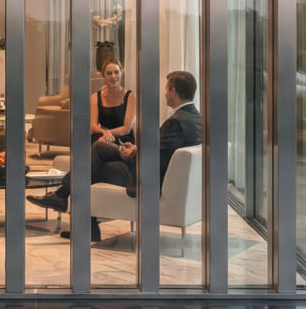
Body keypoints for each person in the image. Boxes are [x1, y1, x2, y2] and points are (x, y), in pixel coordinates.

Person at [28, 70, 202, 243]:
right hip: (152, 171)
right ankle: (67, 203)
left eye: (166, 89)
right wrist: (135, 149)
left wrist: (132, 155)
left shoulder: (175, 122)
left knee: (97, 167)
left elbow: (158, 160)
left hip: (147, 179)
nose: (164, 94)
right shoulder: (195, 117)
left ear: (173, 91)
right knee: (99, 148)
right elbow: (163, 151)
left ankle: (65, 198)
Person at [91, 59, 136, 146]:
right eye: (109, 73)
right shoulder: (95, 97)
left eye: (116, 72)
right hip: (102, 135)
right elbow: (93, 125)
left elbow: (127, 128)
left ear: (121, 73)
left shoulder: (130, 96)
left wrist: (107, 133)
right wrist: (104, 133)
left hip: (123, 138)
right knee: (96, 142)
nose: (113, 76)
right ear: (103, 77)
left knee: (100, 144)